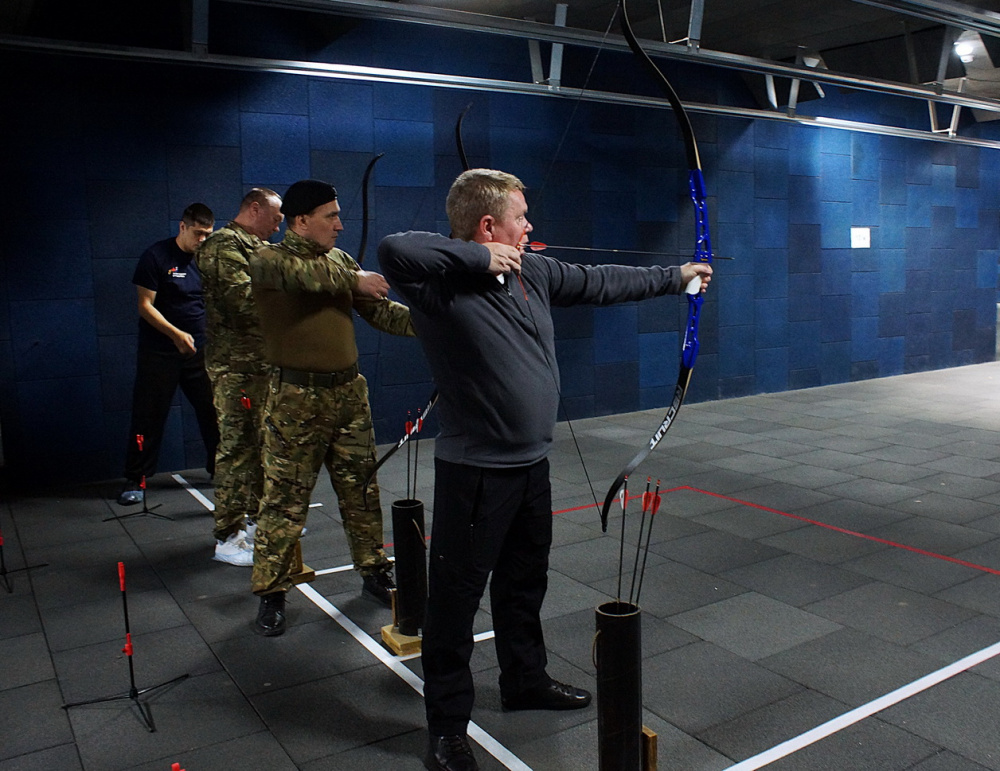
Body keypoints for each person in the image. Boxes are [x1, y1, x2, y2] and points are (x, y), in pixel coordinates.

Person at [377, 168, 713, 771]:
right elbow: (394, 248)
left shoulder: (533, 272)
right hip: (475, 473)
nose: (530, 225)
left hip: (532, 467)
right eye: (520, 217)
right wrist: (479, 258)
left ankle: (524, 679)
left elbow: (600, 280)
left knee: (524, 583)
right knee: (454, 604)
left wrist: (677, 276)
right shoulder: (437, 285)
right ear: (488, 226)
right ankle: (447, 729)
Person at [248, 179, 416, 635]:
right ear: (301, 221)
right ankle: (272, 591)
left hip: (348, 395)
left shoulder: (340, 262)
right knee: (284, 499)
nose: (340, 225)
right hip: (295, 401)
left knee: (361, 490)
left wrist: (436, 322)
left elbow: (380, 311)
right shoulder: (268, 260)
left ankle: (373, 569)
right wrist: (355, 278)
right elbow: (306, 278)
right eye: (331, 216)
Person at [196, 188, 284, 566]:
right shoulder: (223, 245)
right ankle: (228, 537)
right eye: (275, 219)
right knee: (237, 450)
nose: (278, 226)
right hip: (236, 369)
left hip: (260, 366)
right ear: (254, 208)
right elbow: (244, 301)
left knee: (261, 444)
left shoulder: (257, 246)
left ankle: (256, 519)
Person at [118, 203, 220, 506]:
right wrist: (175, 334)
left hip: (198, 351)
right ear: (183, 227)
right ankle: (136, 479)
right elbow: (145, 306)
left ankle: (220, 470)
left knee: (215, 412)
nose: (202, 240)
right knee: (148, 417)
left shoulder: (206, 260)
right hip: (159, 351)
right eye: (198, 233)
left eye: (208, 234)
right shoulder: (156, 256)